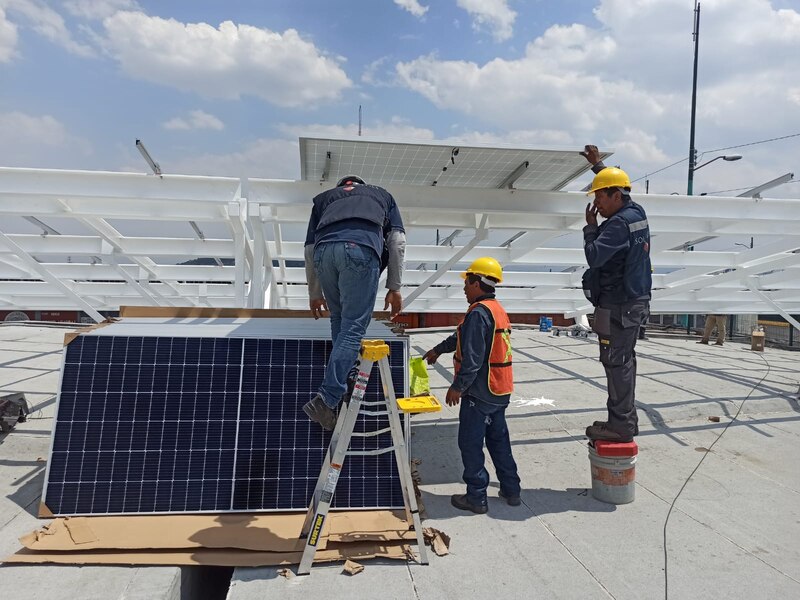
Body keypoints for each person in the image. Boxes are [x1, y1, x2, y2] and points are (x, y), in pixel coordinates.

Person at [303, 175, 406, 430]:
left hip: (324, 254)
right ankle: (327, 399)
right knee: (353, 327)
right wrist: (394, 287)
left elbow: (309, 249)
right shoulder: (382, 194)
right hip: (359, 250)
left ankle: (345, 377)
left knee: (339, 321)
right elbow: (397, 242)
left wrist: (314, 293)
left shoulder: (325, 199)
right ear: (362, 185)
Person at [423, 257, 521, 514]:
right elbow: (462, 337)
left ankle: (476, 497)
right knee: (499, 442)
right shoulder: (495, 309)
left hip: (479, 392)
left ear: (478, 283)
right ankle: (512, 490)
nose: (464, 288)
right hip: (499, 391)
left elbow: (474, 356)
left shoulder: (478, 313)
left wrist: (458, 386)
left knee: (470, 444)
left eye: (467, 282)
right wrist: (438, 350)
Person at [580, 145, 652, 443]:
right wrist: (598, 167)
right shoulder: (636, 212)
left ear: (616, 197)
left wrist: (590, 229)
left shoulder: (617, 225)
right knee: (623, 362)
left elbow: (594, 257)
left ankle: (620, 425)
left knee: (615, 363)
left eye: (600, 195)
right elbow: (619, 184)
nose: (597, 202)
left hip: (619, 305)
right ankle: (623, 420)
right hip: (632, 301)